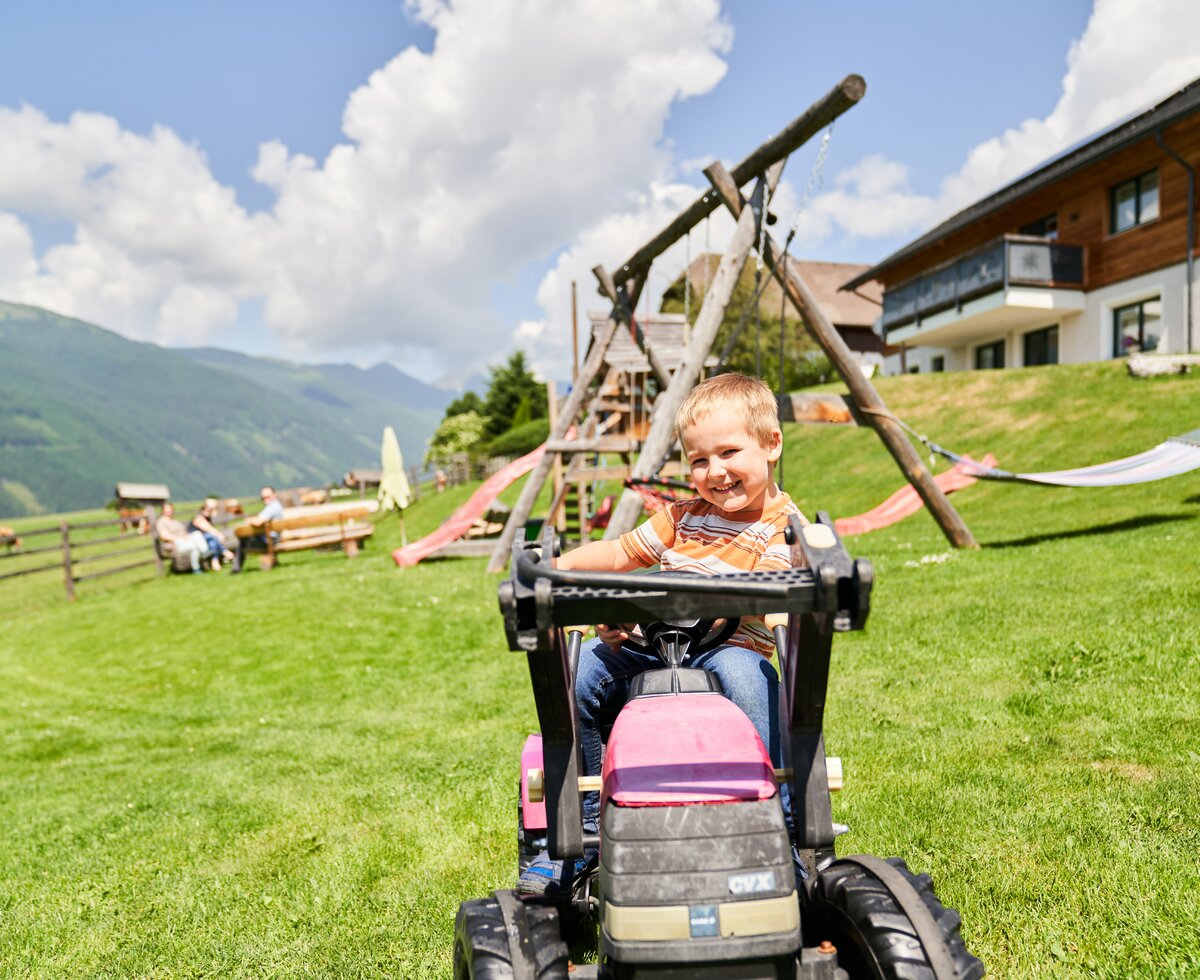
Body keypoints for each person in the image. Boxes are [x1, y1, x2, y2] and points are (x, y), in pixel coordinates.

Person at [517, 373, 807, 896]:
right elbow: (621, 554)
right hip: (653, 650)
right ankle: (584, 832)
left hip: (731, 649)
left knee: (750, 681)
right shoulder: (681, 517)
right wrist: (557, 572)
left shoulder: (784, 527)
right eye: (699, 461)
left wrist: (773, 609)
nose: (715, 472)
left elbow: (768, 591)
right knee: (580, 674)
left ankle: (782, 831)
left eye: (729, 452)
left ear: (772, 444)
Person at [236, 486, 286, 570]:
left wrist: (248, 520)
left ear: (274, 495)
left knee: (242, 541)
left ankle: (236, 569)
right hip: (273, 538)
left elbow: (258, 522)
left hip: (270, 540)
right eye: (263, 498)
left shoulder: (272, 507)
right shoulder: (275, 506)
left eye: (267, 497)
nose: (265, 499)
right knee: (244, 540)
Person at [154, 502, 211, 573]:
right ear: (163, 510)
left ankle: (205, 552)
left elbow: (185, 532)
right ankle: (196, 568)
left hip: (184, 540)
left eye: (170, 509)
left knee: (197, 534)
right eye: (167, 509)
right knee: (194, 546)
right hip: (175, 544)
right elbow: (164, 535)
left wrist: (186, 536)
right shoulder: (161, 522)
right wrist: (179, 538)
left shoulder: (174, 521)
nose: (169, 511)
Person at [189, 498, 235, 571]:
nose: (207, 511)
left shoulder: (208, 519)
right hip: (196, 540)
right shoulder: (198, 518)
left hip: (207, 540)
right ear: (202, 509)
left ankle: (215, 561)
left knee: (212, 541)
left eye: (210, 510)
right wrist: (219, 535)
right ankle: (224, 553)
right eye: (206, 509)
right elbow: (208, 529)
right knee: (211, 537)